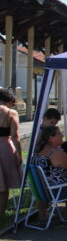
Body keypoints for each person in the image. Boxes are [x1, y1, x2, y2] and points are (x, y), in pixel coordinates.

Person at [0, 89, 22, 223]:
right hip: (4, 148)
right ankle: (0, 215)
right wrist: (19, 155)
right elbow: (15, 136)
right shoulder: (10, 113)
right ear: (10, 101)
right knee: (3, 186)